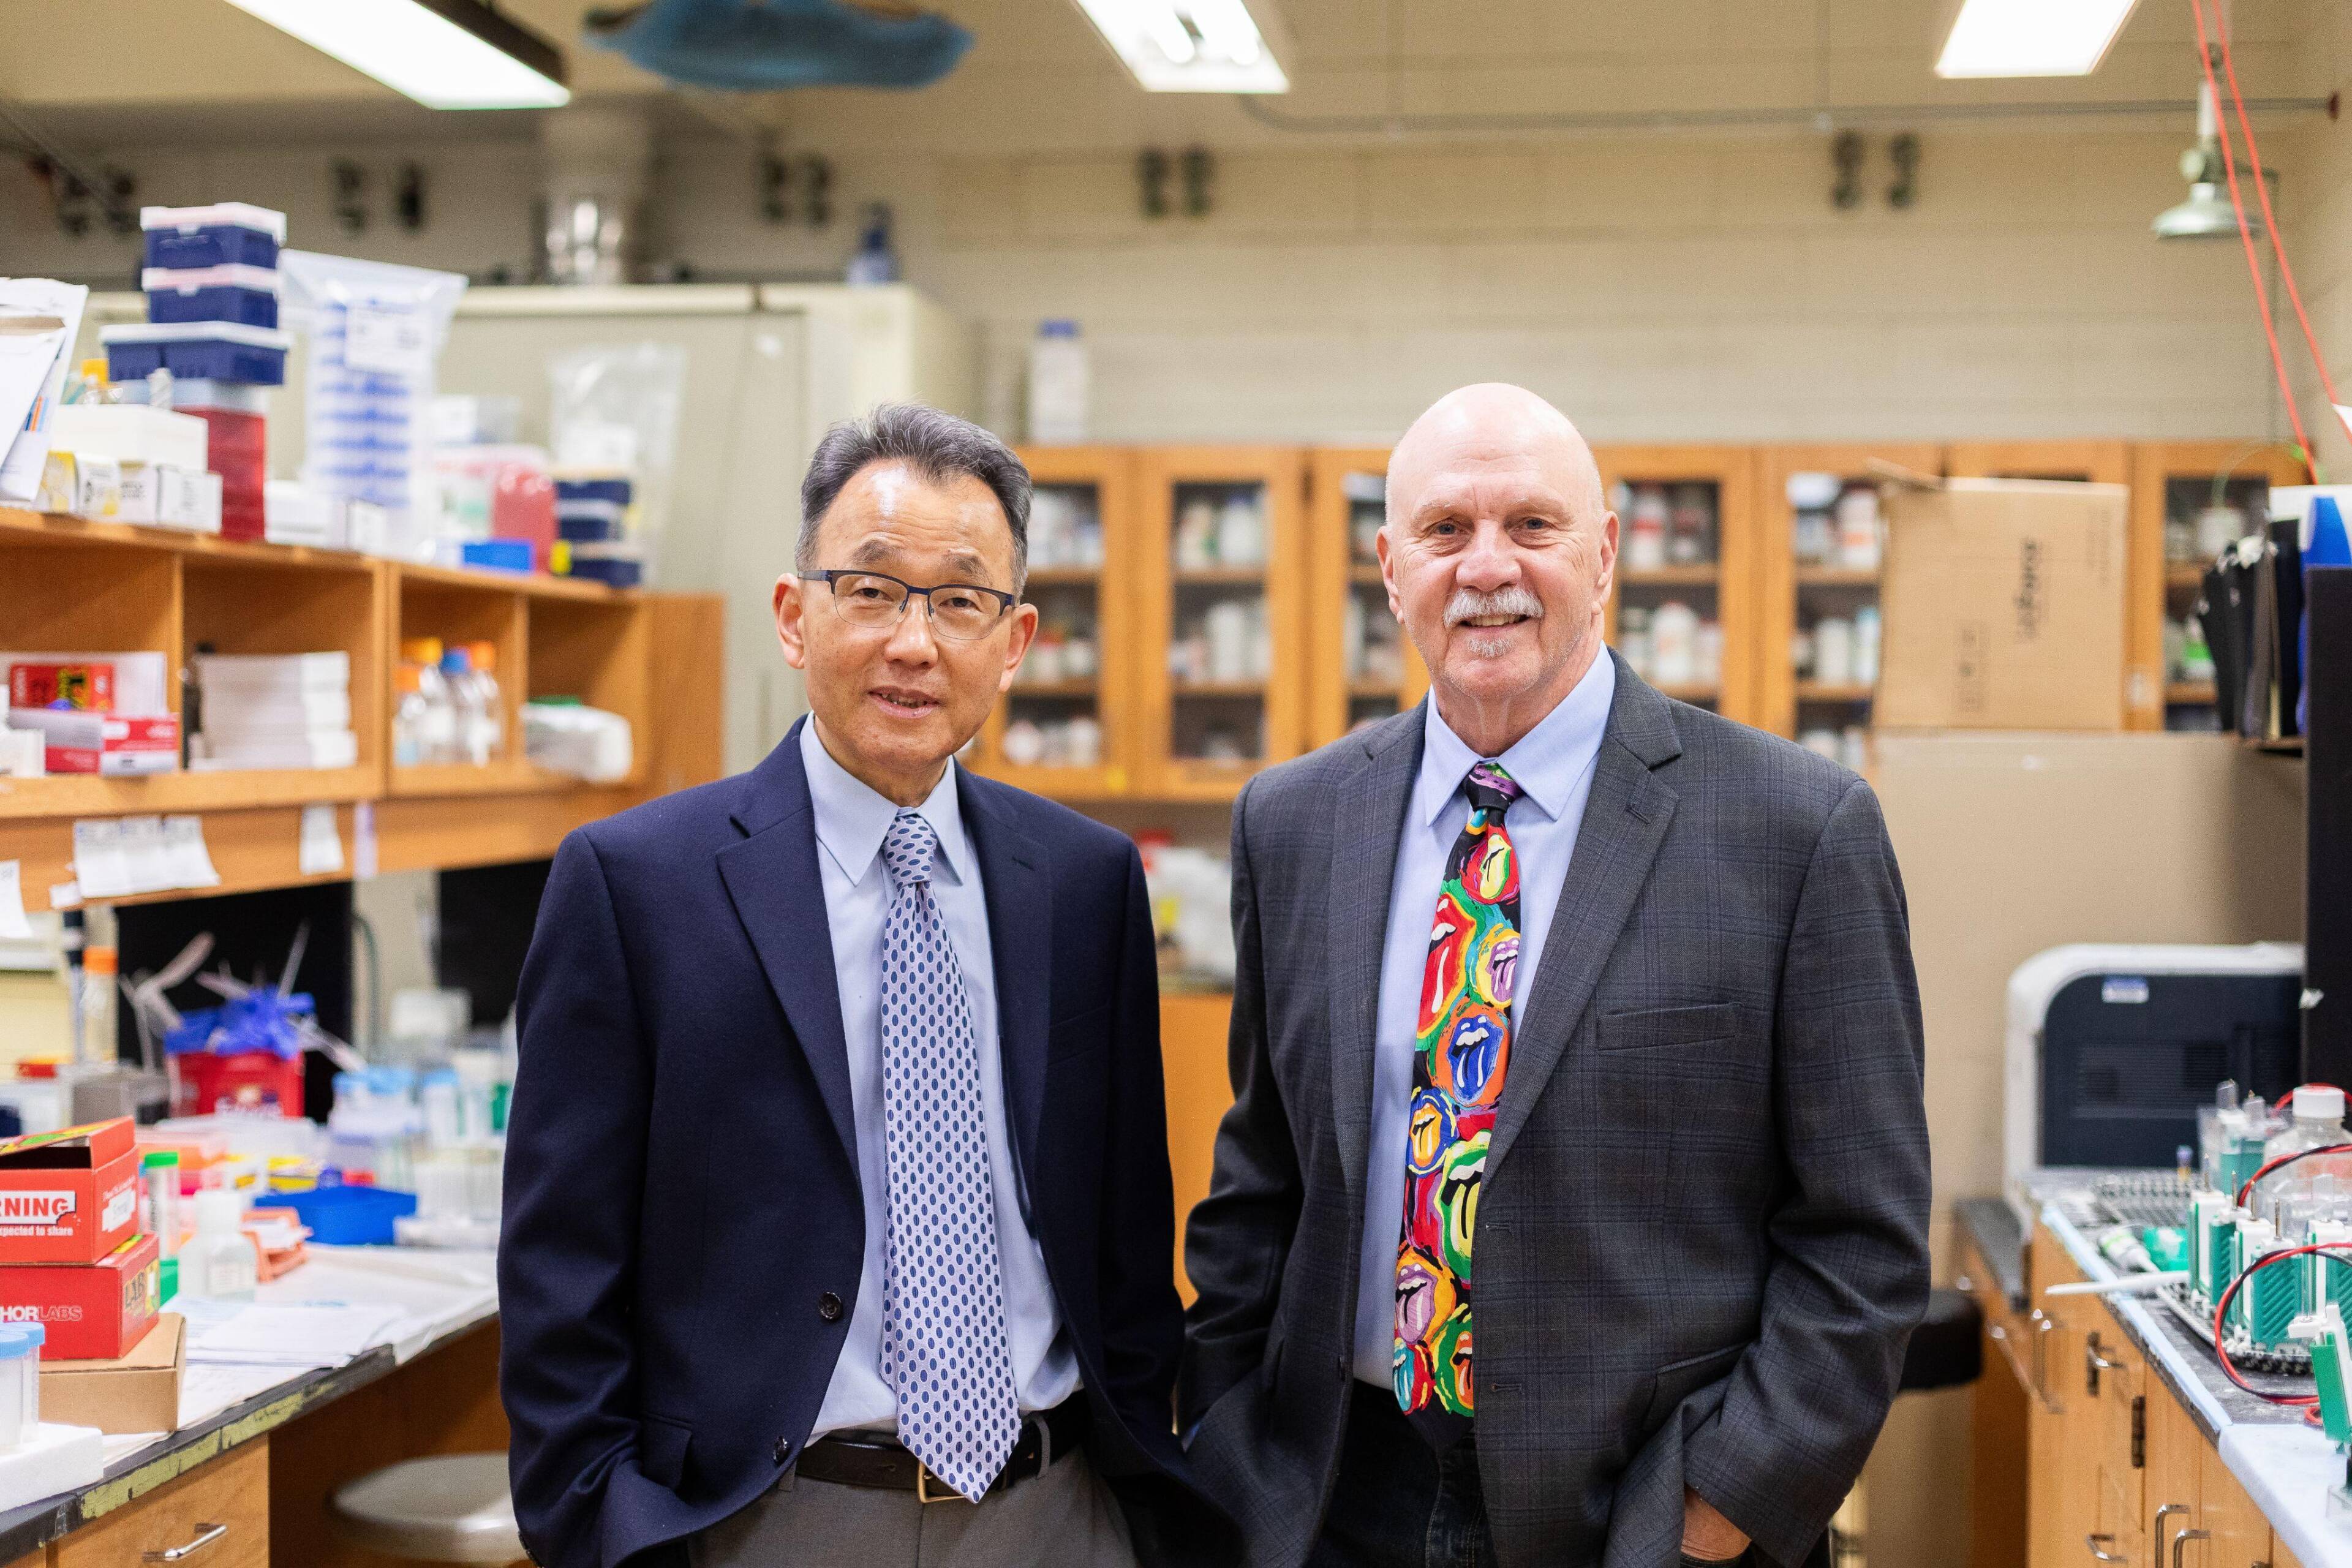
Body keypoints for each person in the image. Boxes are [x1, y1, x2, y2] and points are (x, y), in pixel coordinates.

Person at [1180, 383, 1931, 1568]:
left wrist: (1719, 1512)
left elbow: (1863, 1243)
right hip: (1336, 1497)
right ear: (1390, 566)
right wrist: (1228, 1443)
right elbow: (1262, 1176)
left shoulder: (1796, 829)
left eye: (1532, 526)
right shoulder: (1294, 822)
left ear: (1607, 552)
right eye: (1445, 531)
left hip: (1641, 1513)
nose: (1488, 568)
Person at [501, 404, 1226, 1568]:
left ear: (1017, 640)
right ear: (796, 617)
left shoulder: (1084, 886)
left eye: (959, 600)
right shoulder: (637, 886)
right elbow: (559, 1264)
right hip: (769, 1517)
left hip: (1057, 1513)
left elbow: (1128, 1228)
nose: (914, 642)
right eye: (873, 589)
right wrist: (603, 1529)